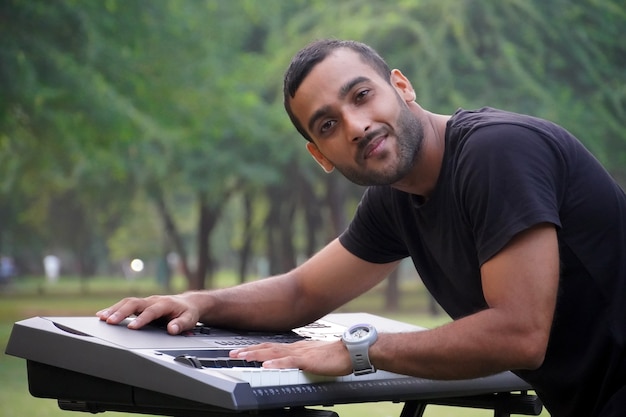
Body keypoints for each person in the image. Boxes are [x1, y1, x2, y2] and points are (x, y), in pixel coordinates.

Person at [97, 39, 626, 417]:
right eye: (327, 125)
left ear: (401, 85)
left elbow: (520, 333)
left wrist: (357, 350)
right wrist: (198, 303)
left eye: (361, 95)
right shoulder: (394, 200)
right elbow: (301, 292)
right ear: (319, 155)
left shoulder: (496, 153)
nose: (356, 126)